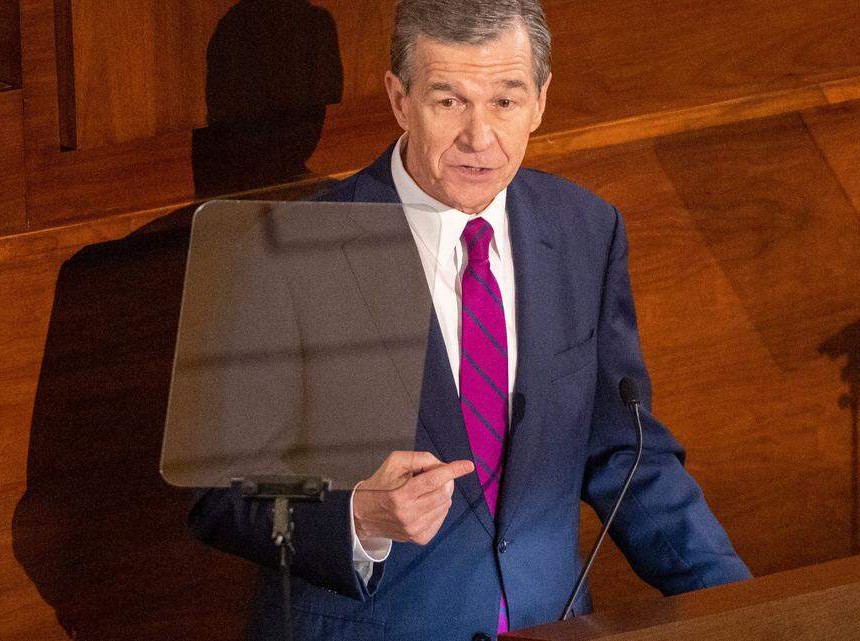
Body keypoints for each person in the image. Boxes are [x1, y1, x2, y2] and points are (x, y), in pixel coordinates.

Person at [188, 1, 751, 639]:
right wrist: (357, 517)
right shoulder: (288, 250)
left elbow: (626, 450)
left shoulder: (584, 230)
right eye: (449, 101)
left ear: (540, 100)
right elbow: (218, 493)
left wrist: (745, 608)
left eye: (505, 102)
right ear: (399, 100)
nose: (479, 138)